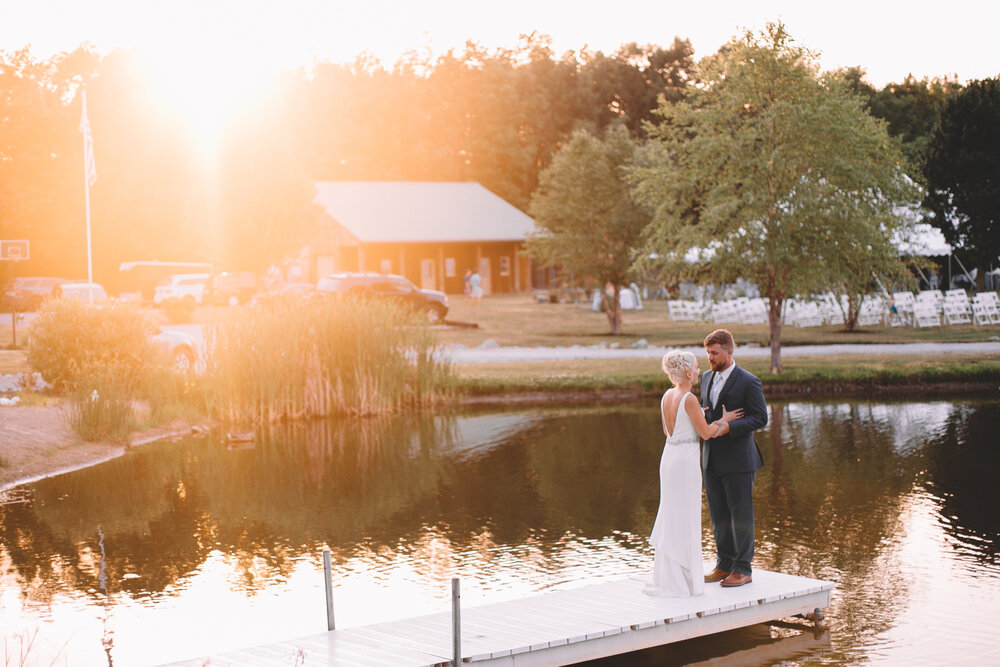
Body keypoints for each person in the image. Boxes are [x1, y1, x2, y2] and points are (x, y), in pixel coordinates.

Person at [645, 350, 743, 598]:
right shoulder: (688, 398)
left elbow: (672, 427)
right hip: (685, 461)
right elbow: (707, 433)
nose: (700, 371)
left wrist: (699, 414)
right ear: (688, 372)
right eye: (697, 367)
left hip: (668, 458)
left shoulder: (667, 395)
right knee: (685, 515)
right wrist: (724, 420)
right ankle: (682, 582)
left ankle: (671, 577)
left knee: (671, 513)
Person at [700, 329, 768, 588]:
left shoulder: (748, 381)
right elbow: (706, 412)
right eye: (707, 353)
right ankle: (724, 563)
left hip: (739, 461)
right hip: (710, 460)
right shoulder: (706, 377)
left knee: (741, 515)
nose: (710, 358)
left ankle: (743, 568)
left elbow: (760, 418)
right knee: (719, 516)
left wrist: (729, 427)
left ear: (730, 351)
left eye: (715, 353)